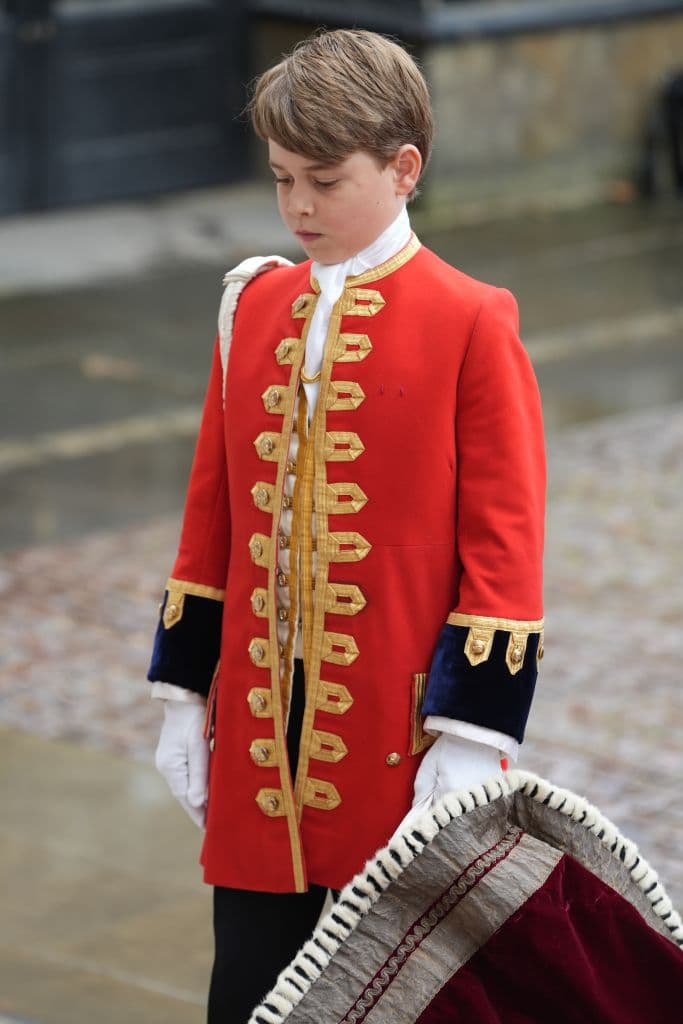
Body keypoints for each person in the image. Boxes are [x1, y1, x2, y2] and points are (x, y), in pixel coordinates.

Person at [147, 28, 545, 1024]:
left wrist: (470, 733)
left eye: (322, 180)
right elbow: (212, 516)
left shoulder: (471, 317)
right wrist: (177, 694)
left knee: (387, 995)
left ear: (403, 168)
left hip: (393, 733)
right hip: (251, 736)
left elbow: (505, 543)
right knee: (245, 990)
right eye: (282, 180)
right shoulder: (250, 305)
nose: (296, 208)